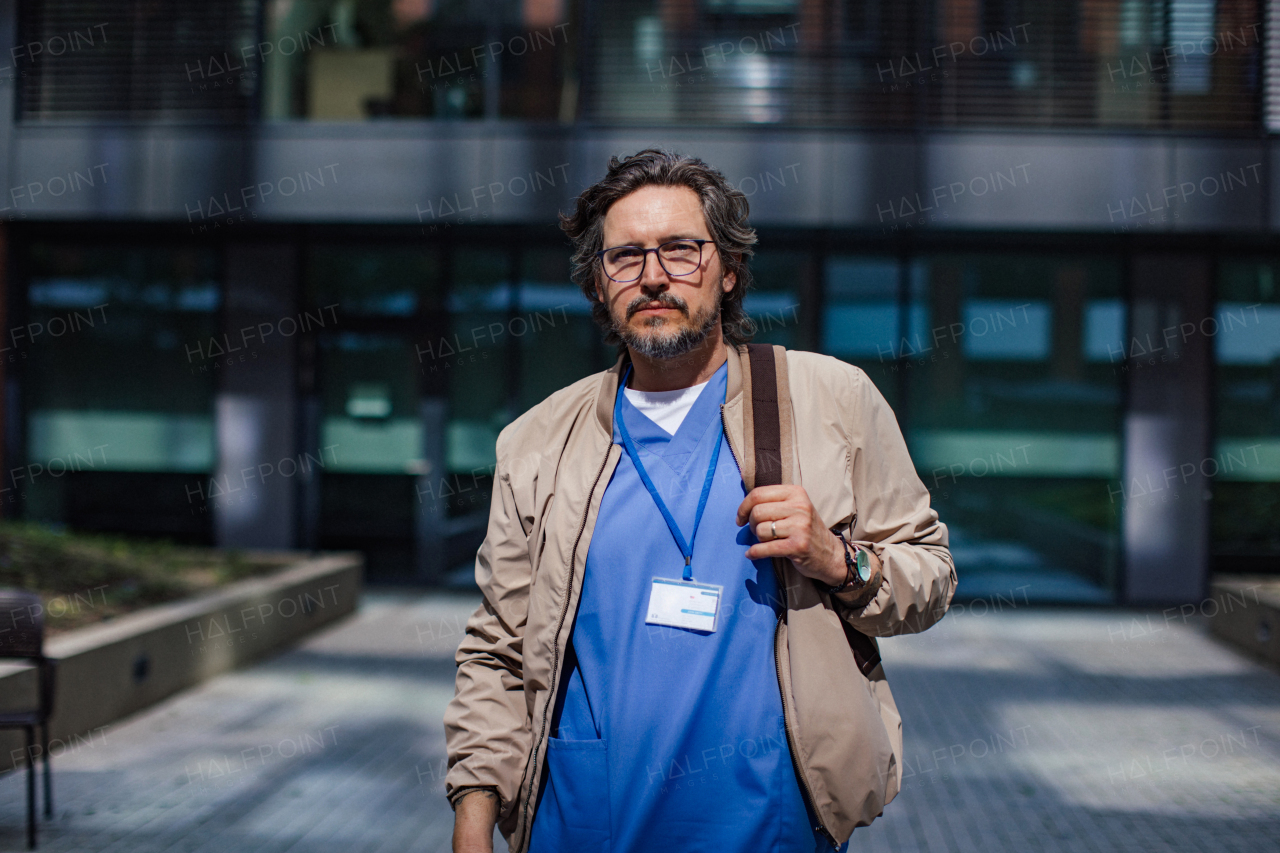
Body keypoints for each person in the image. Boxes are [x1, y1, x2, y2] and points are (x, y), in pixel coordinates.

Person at [444, 149, 956, 853]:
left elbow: (930, 575)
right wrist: (471, 825)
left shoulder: (830, 400)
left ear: (730, 269)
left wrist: (838, 559)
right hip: (586, 826)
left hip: (769, 826)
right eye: (625, 256)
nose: (653, 275)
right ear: (599, 284)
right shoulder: (538, 441)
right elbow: (497, 650)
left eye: (681, 250)